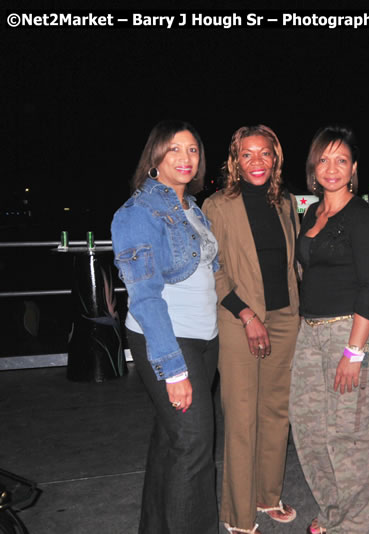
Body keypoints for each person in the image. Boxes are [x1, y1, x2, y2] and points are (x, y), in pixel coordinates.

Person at [111, 120, 219, 534]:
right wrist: (172, 368)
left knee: (172, 442)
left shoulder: (190, 206)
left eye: (192, 149)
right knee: (193, 446)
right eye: (174, 149)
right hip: (170, 341)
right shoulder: (138, 212)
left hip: (204, 338)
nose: (185, 158)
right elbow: (145, 296)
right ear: (154, 157)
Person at [202, 125, 300, 534]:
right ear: (235, 160)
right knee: (241, 418)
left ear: (275, 158)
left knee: (276, 413)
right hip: (240, 320)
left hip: (283, 317)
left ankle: (267, 496)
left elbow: (290, 263)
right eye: (247, 154)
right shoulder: (217, 205)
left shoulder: (286, 202)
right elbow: (213, 268)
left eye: (265, 153)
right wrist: (246, 314)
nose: (256, 161)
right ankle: (238, 516)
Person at [289, 126, 369, 534]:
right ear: (314, 166)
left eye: (341, 160)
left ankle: (354, 525)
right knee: (309, 428)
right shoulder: (312, 212)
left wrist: (354, 353)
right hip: (311, 332)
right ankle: (333, 511)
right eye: (324, 159)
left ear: (354, 169)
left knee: (347, 436)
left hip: (352, 331)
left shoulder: (362, 216)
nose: (332, 168)